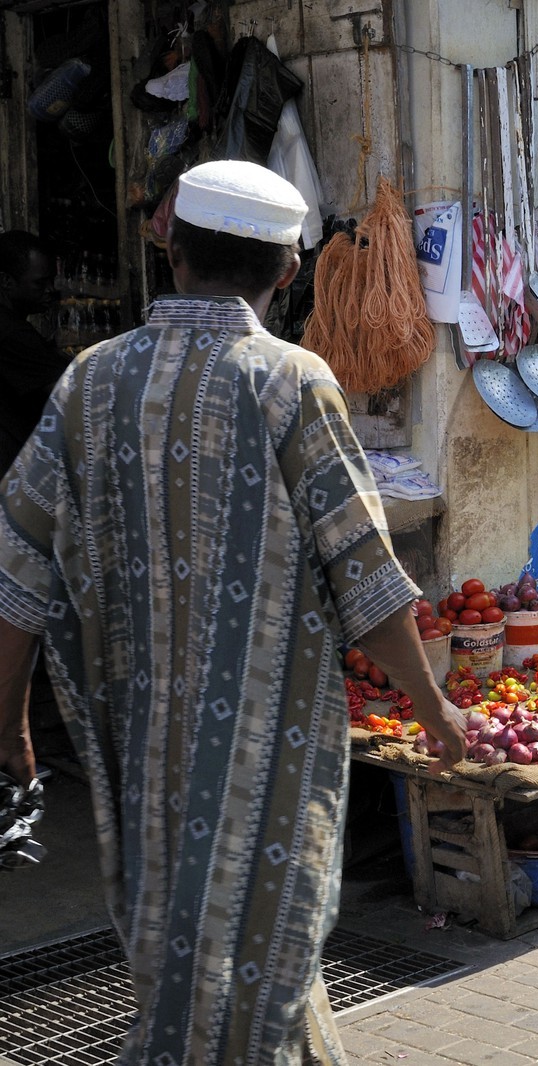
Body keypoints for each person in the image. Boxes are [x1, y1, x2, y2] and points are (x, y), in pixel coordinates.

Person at [0, 160, 467, 1061]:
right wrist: (432, 706)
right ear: (288, 273)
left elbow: (15, 567)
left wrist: (10, 720)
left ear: (171, 252)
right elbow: (366, 578)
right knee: (257, 958)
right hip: (269, 755)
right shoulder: (289, 380)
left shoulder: (90, 381)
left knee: (192, 941)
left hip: (142, 745)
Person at [0, 230, 70, 476]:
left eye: (51, 281)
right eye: (40, 283)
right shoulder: (12, 333)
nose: (50, 290)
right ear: (6, 282)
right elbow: (70, 393)